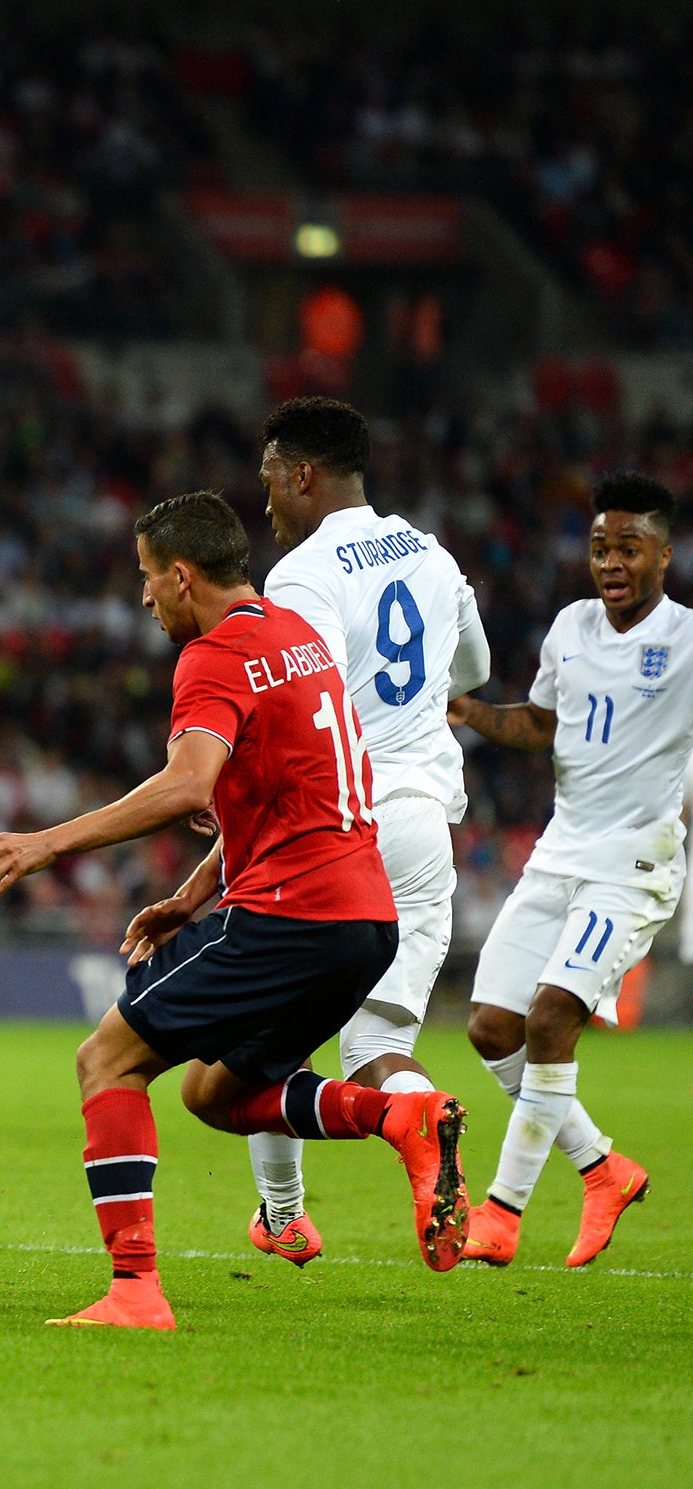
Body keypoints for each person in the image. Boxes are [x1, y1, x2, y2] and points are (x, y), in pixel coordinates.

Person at [0, 492, 467, 1330]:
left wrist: (47, 843)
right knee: (215, 1094)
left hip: (288, 915)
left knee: (107, 1062)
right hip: (364, 920)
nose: (145, 597)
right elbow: (289, 789)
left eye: (149, 578)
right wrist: (192, 895)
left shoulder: (214, 656)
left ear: (183, 575)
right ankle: (398, 1113)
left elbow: (187, 785)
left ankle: (134, 1291)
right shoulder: (298, 638)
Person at [236, 397, 491, 1265]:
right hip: (423, 823)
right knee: (379, 1045)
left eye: (269, 477)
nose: (263, 498)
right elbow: (479, 669)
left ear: (302, 474)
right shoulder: (433, 552)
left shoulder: (300, 576)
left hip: (338, 822)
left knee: (255, 1040)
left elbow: (311, 710)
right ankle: (423, 1123)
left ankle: (282, 1215)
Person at [448, 471, 684, 1267]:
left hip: (633, 866)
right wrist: (470, 713)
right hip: (561, 853)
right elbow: (544, 723)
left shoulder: (686, 640)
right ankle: (601, 1168)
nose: (611, 561)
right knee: (492, 1026)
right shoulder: (571, 627)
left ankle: (502, 1214)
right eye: (599, 547)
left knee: (551, 1019)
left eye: (629, 547)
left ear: (662, 554)